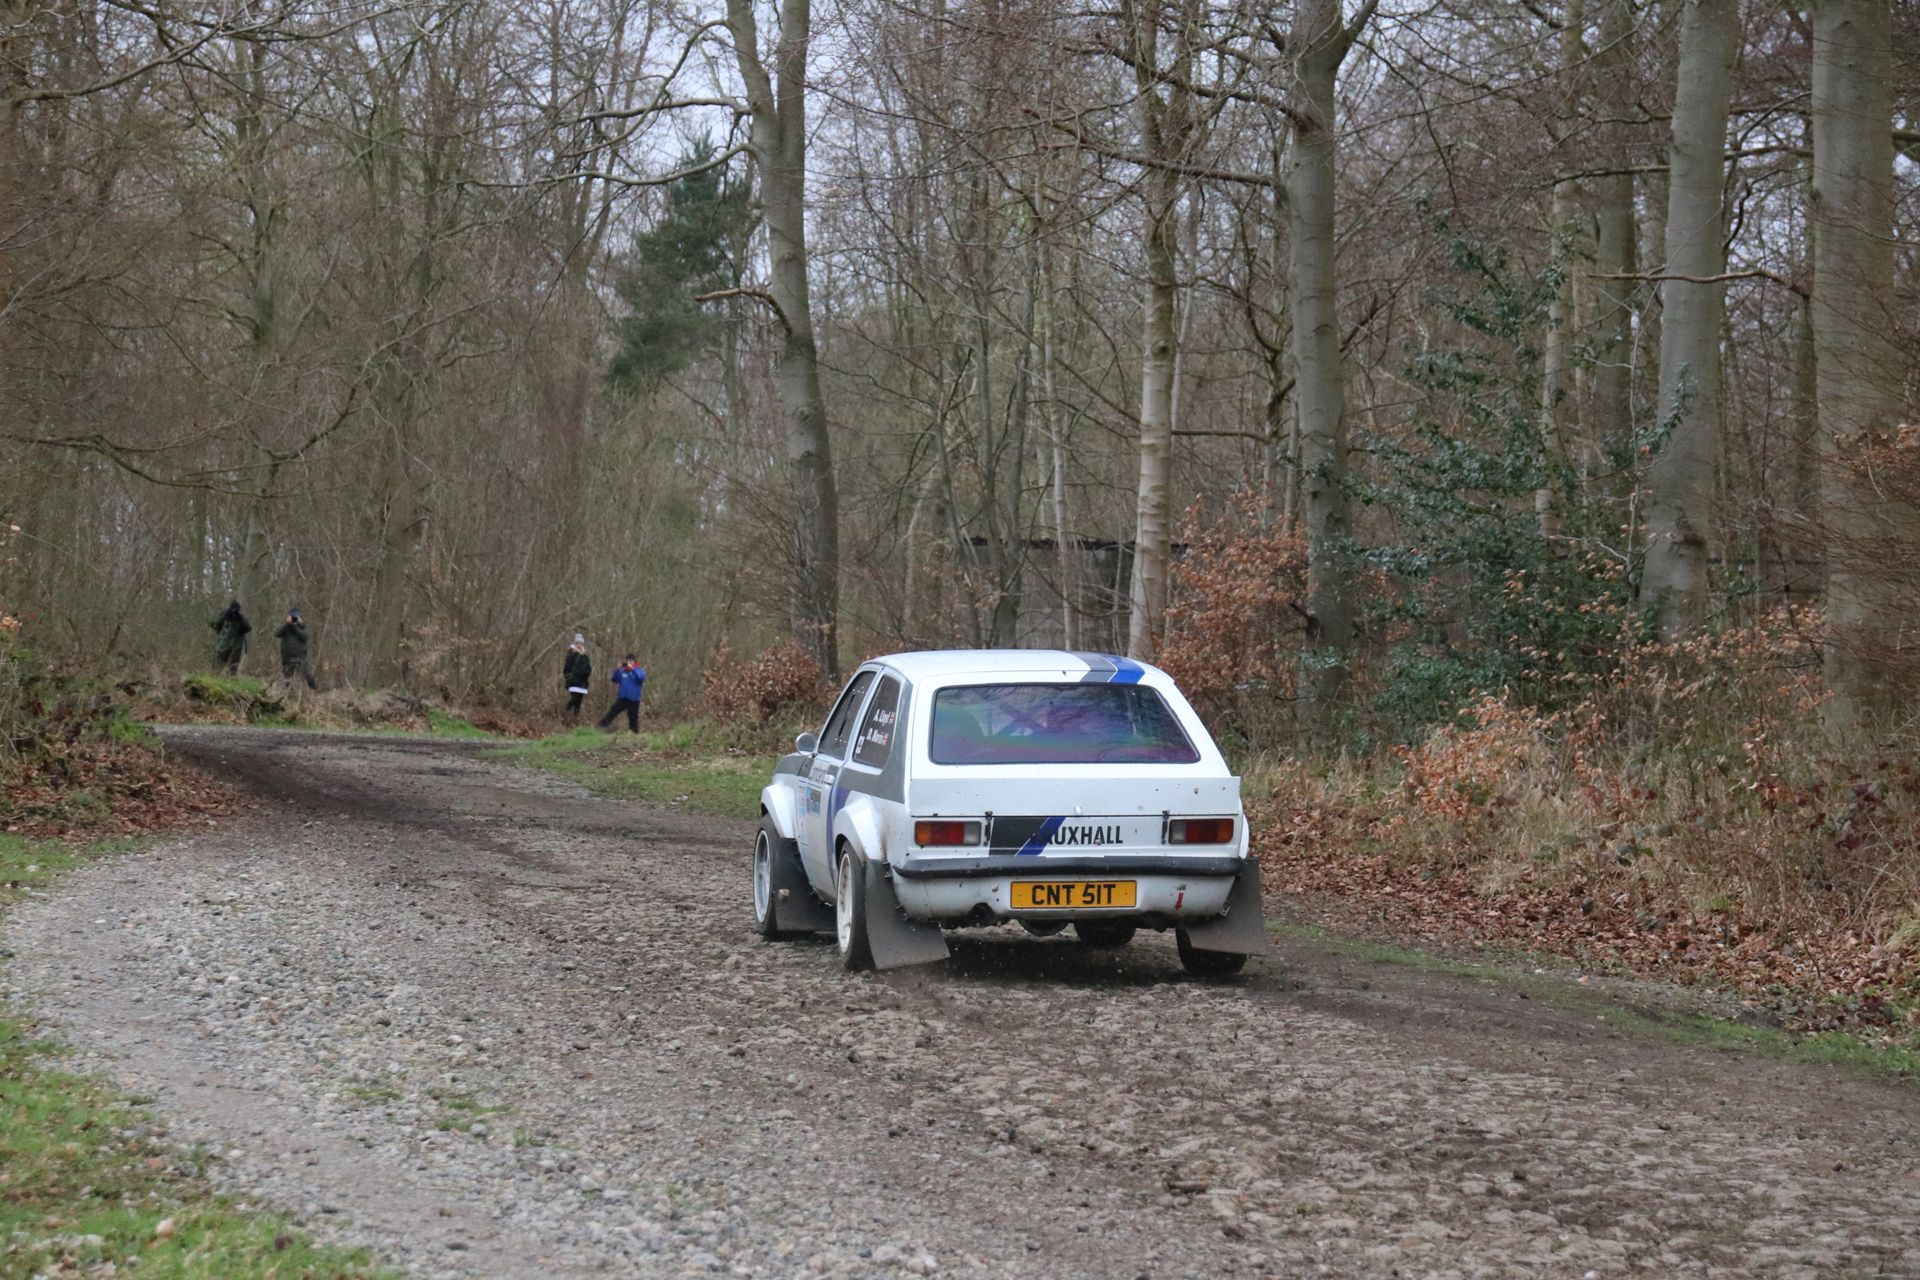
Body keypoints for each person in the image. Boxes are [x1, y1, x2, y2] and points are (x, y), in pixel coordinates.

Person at [597, 654, 647, 733]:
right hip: (623, 698)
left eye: (631, 661)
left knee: (633, 718)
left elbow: (640, 677)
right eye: (628, 661)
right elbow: (614, 679)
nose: (629, 662)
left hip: (634, 699)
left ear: (634, 662)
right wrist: (617, 669)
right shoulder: (623, 671)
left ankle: (634, 732)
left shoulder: (640, 670)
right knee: (612, 712)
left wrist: (632, 669)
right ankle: (601, 726)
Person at [275, 608, 317, 690]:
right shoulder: (286, 628)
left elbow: (304, 636)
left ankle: (313, 688)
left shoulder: (303, 627)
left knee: (307, 673)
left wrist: (294, 626)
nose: (295, 620)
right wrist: (287, 624)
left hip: (299, 656)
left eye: (296, 618)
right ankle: (287, 692)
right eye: (293, 618)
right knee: (287, 675)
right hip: (287, 656)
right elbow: (277, 634)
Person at [209, 599, 251, 675]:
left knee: (224, 664)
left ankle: (219, 676)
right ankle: (227, 677)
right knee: (231, 665)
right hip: (233, 644)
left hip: (227, 644)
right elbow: (248, 628)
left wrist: (219, 631)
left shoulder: (229, 616)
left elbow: (214, 624)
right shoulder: (238, 617)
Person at [563, 634, 592, 721]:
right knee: (574, 698)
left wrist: (584, 673)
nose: (579, 645)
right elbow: (566, 670)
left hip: (583, 683)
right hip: (573, 682)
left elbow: (588, 670)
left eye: (581, 643)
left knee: (578, 702)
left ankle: (574, 720)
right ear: (575, 644)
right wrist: (570, 677)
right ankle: (564, 712)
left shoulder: (585, 657)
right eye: (577, 643)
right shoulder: (570, 656)